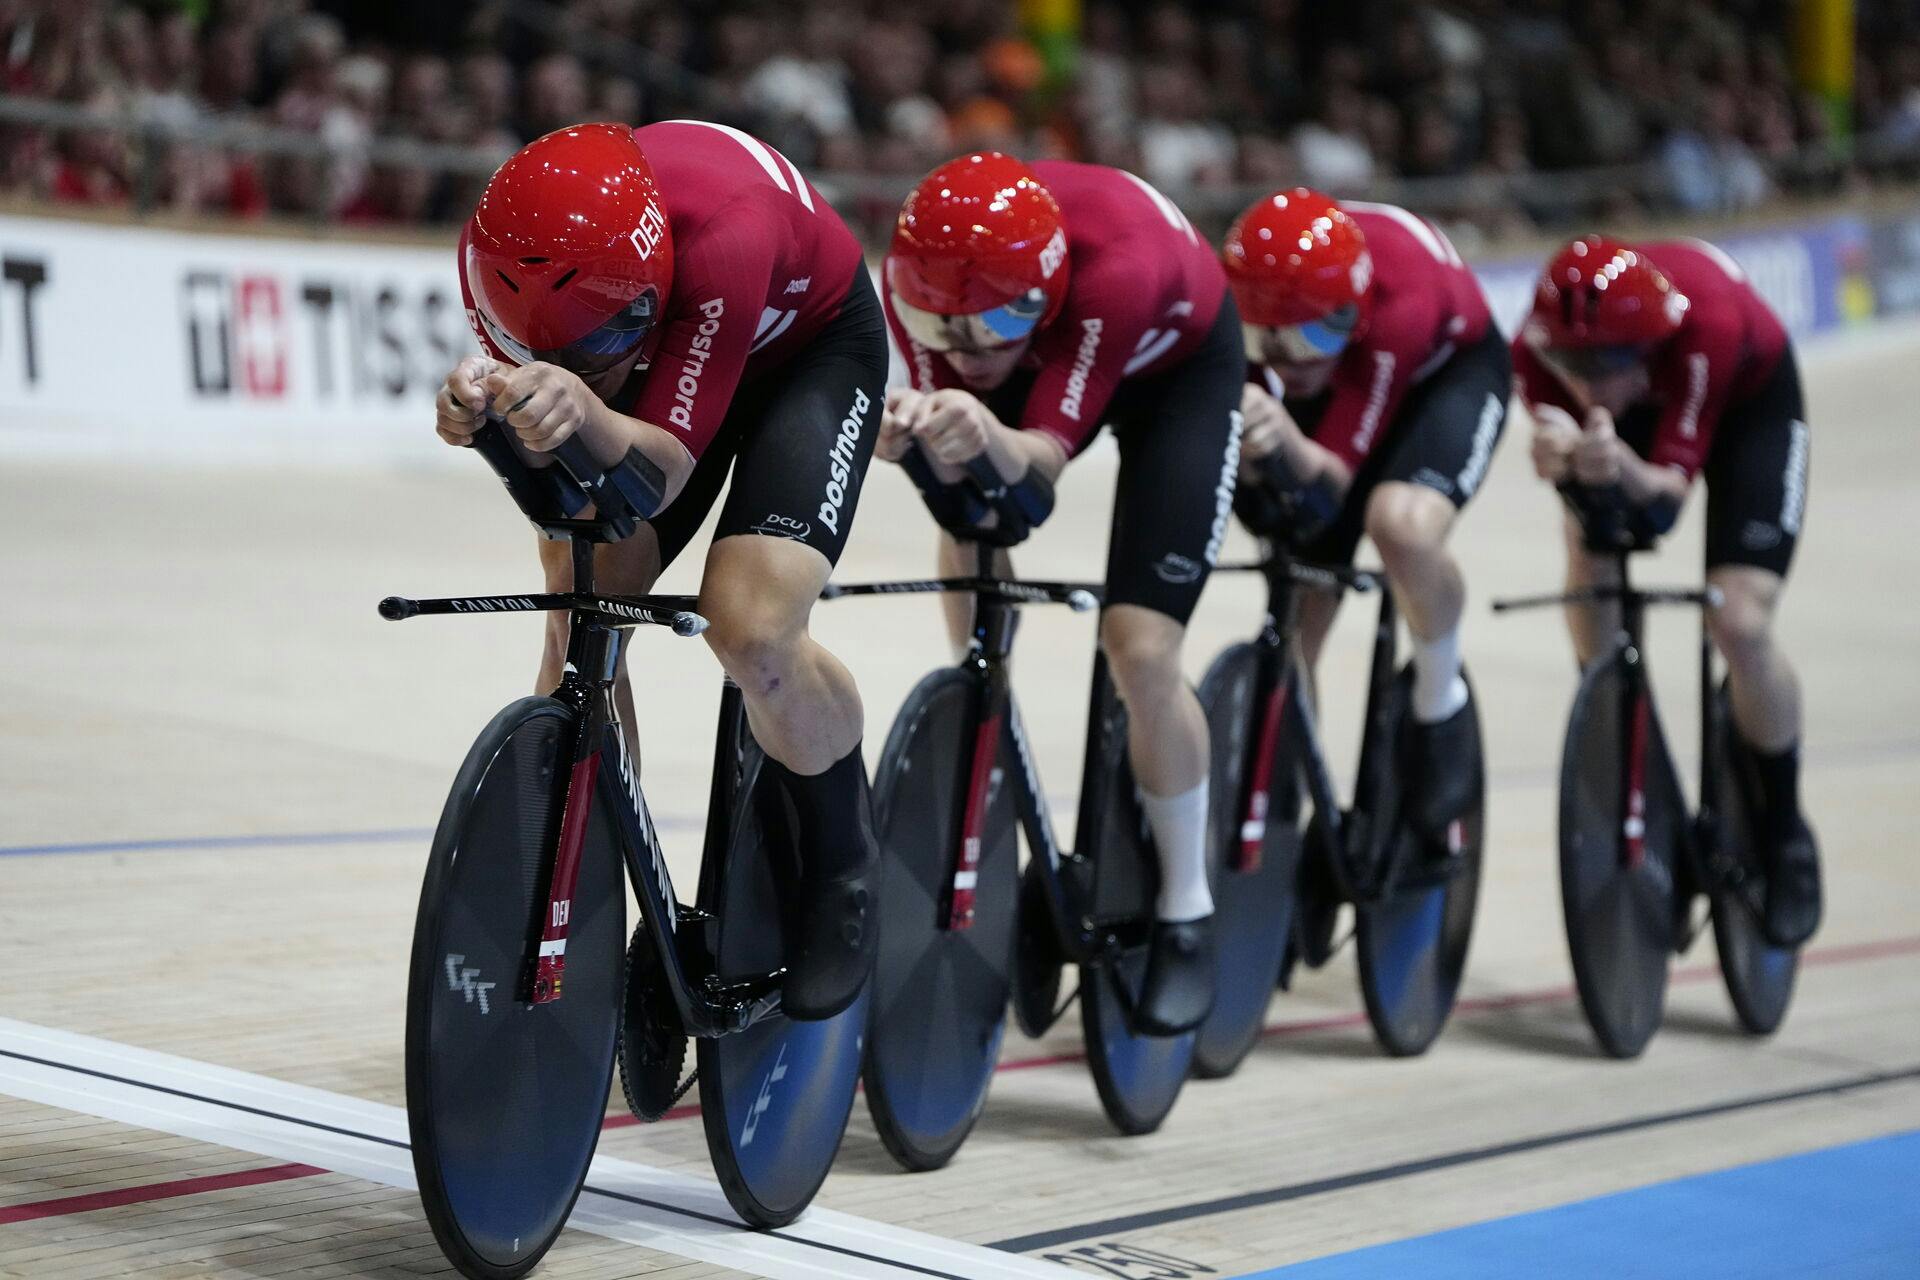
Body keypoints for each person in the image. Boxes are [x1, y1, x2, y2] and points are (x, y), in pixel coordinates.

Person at [435, 121, 888, 1019]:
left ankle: (844, 859)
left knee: (750, 626)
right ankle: (588, 876)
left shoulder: (728, 232)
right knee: (582, 599)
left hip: (807, 354)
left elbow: (661, 469)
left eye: (585, 353)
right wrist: (480, 406)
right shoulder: (510, 244)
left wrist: (576, 396)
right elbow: (564, 419)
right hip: (652, 344)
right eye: (543, 351)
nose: (567, 372)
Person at [878, 151, 1244, 1035]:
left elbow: (1038, 469)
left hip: (1176, 376)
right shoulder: (927, 289)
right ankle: (980, 695)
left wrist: (980, 431)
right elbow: (973, 480)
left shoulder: (1114, 273)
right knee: (968, 494)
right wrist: (927, 433)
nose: (964, 346)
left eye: (994, 322)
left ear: (1041, 288)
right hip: (1054, 339)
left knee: (1141, 646)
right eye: (942, 326)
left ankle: (1189, 908)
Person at [1513, 234, 1820, 947]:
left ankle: (1783, 828)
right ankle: (1626, 726)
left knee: (1738, 619)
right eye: (1571, 364)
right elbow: (1590, 479)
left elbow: (1665, 504)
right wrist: (1568, 458)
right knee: (1587, 553)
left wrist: (1619, 464)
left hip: (1747, 405)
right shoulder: (1533, 348)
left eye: (1605, 365)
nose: (1586, 383)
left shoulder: (1705, 327)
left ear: (1648, 344)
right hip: (1643, 407)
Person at [1223, 188, 1507, 837]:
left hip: (1441, 380)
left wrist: (1286, 436)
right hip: (1339, 375)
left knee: (1399, 525)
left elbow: (1335, 479)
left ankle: (1441, 701)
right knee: (1297, 620)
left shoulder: (1396, 308)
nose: (1297, 355)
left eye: (1317, 333)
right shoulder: (1258, 316)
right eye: (1275, 339)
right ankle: (1299, 809)